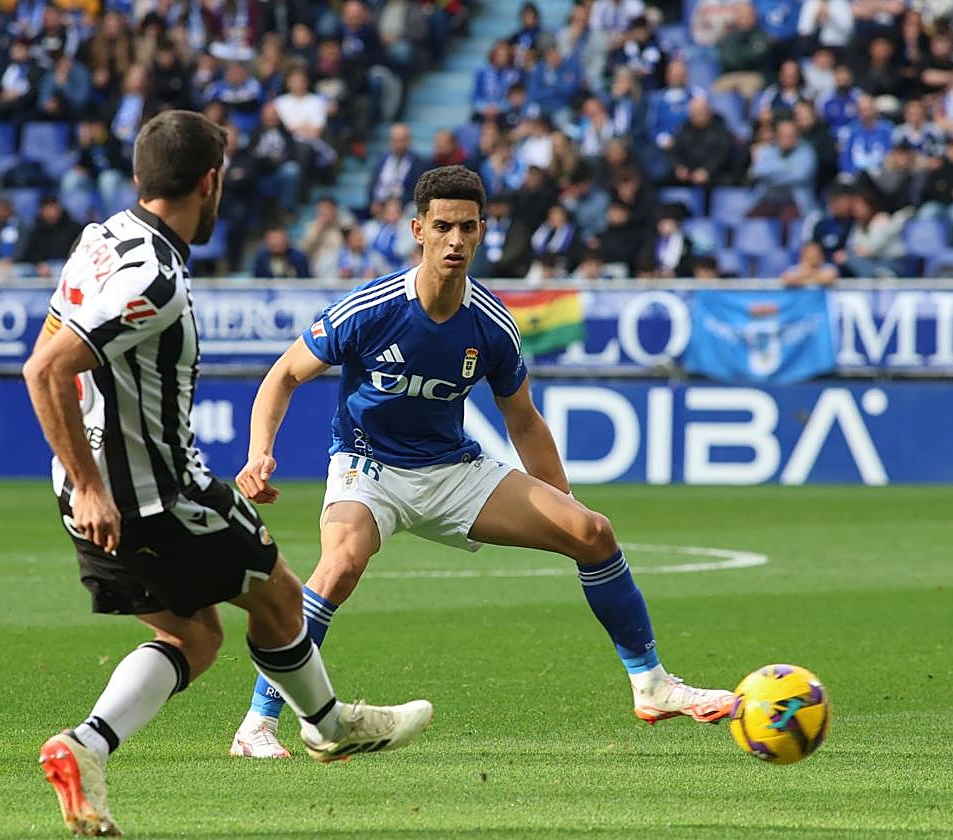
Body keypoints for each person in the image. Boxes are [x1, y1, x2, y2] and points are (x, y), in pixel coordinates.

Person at [227, 165, 733, 758]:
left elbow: (522, 420)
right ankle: (257, 724)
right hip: (369, 467)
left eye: (468, 228)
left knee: (593, 533)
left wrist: (564, 504)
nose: (455, 241)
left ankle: (652, 686)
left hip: (452, 470)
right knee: (339, 565)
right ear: (417, 229)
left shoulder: (492, 325)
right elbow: (284, 375)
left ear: (483, 231)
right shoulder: (369, 309)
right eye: (442, 227)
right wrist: (260, 452)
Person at [22, 110, 434, 836]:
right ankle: (330, 724)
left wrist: (79, 478)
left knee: (195, 640)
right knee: (278, 598)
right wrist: (94, 482)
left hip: (87, 494)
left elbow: (50, 343)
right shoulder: (155, 276)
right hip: (158, 494)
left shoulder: (101, 239)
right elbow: (48, 368)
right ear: (209, 182)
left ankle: (83, 748)